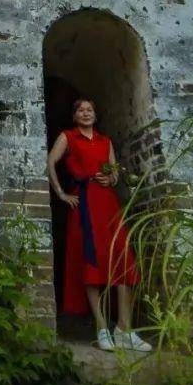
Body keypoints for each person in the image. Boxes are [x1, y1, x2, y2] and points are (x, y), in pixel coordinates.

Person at [47, 97, 151, 353]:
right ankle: (102, 327)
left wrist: (112, 177)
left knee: (123, 259)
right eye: (81, 109)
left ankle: (125, 330)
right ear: (75, 116)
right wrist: (61, 193)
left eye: (90, 109)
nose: (86, 113)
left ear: (95, 114)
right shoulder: (68, 137)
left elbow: (115, 172)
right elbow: (50, 162)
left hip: (108, 204)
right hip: (84, 205)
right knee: (91, 262)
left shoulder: (106, 141)